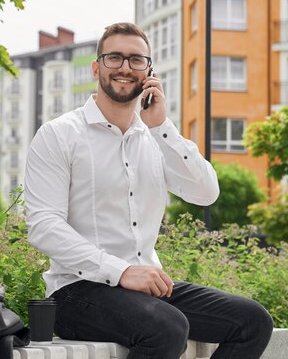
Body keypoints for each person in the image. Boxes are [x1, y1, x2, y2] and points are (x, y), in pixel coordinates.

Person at [24, 22, 273, 359]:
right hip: (76, 291)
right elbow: (44, 226)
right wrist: (121, 271)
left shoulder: (155, 138)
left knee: (252, 321)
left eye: (136, 60)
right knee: (167, 327)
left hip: (146, 291)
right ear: (97, 67)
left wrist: (162, 127)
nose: (125, 68)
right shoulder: (59, 135)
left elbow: (206, 193)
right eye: (115, 58)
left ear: (149, 72)